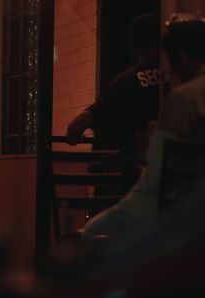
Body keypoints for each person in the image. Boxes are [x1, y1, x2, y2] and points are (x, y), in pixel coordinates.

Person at [82, 15, 205, 239]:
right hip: (192, 211)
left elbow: (157, 178)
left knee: (91, 234)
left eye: (173, 64)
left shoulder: (184, 98)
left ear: (183, 58)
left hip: (164, 213)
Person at [66, 14, 160, 191]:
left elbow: (76, 126)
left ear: (133, 45)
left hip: (130, 185)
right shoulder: (178, 80)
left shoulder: (124, 83)